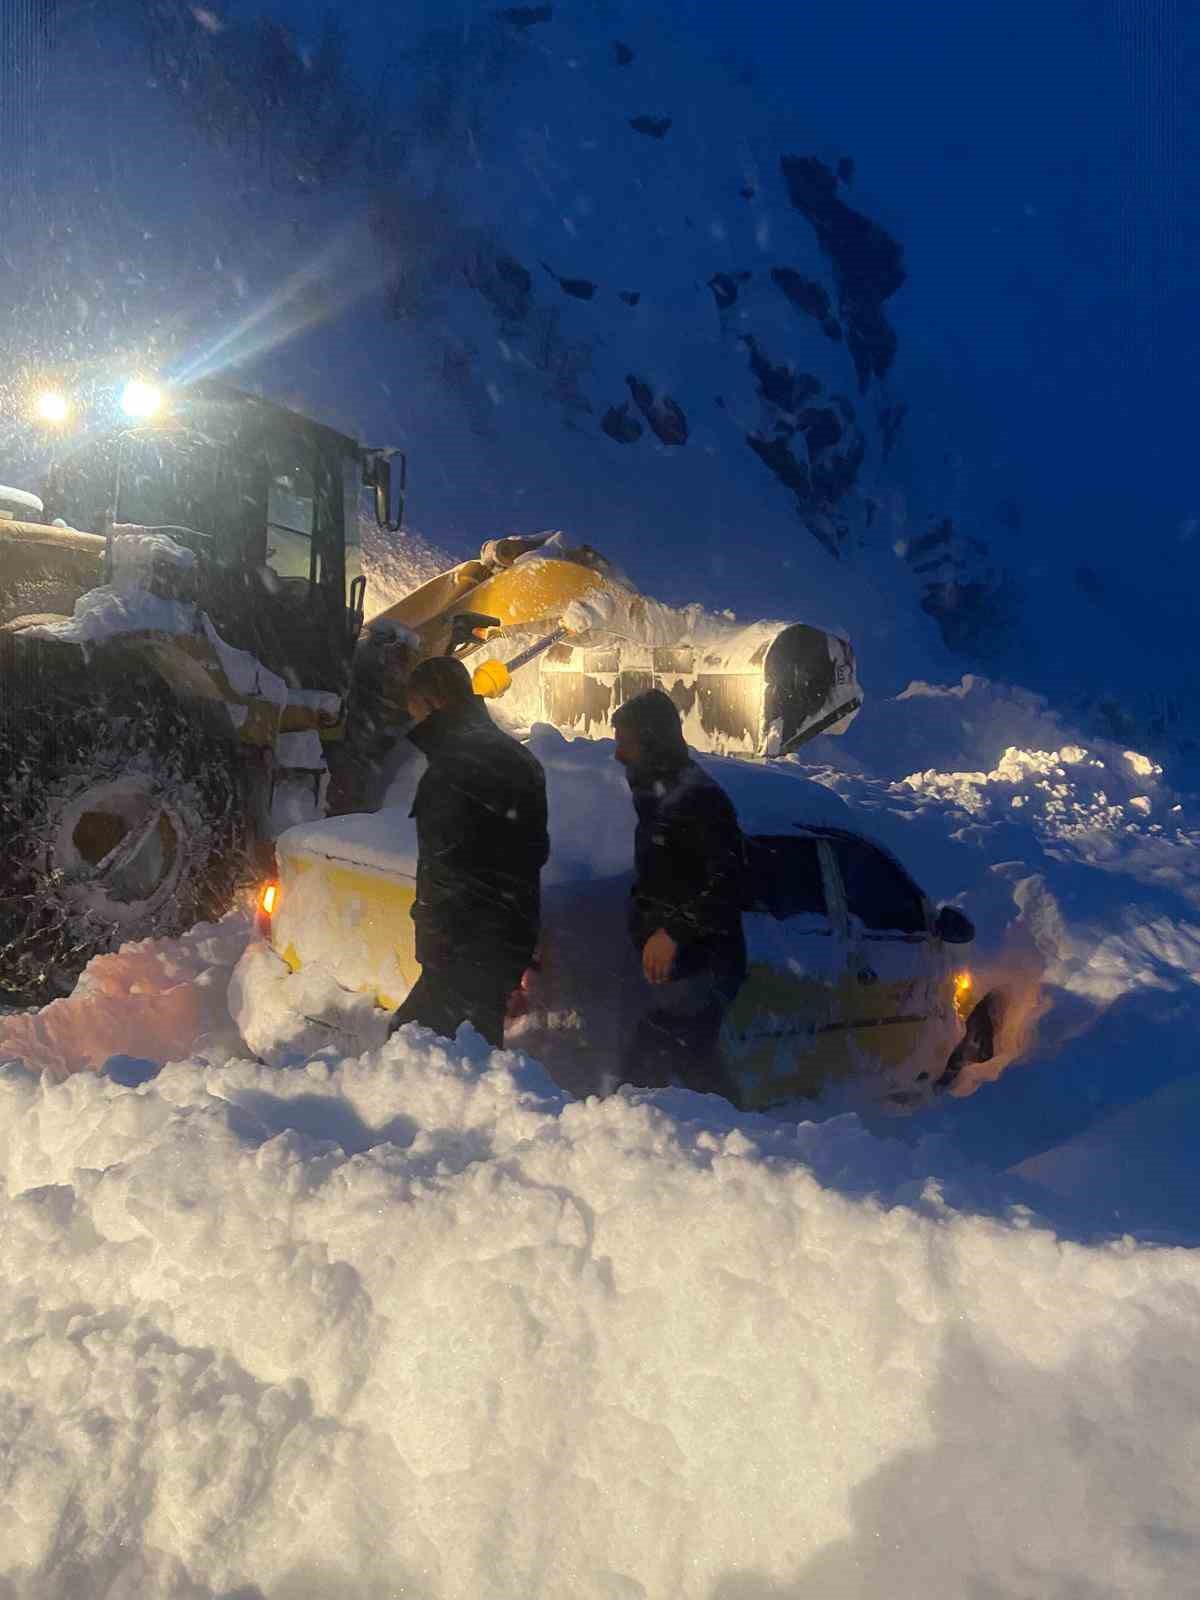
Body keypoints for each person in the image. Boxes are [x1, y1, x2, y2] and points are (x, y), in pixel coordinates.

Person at [388, 655, 549, 1047]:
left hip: (465, 944)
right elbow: (534, 850)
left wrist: (433, 941)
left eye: (415, 711)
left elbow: (445, 869)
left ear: (431, 702)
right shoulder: (517, 756)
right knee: (470, 1047)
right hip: (507, 933)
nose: (414, 722)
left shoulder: (452, 767)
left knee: (414, 1042)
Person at [612, 688, 747, 1096]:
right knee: (684, 1067)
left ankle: (729, 1142)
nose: (618, 755)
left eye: (626, 743)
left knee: (668, 1064)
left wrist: (674, 932)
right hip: (682, 966)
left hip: (703, 964)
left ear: (651, 742)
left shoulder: (697, 799)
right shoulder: (660, 796)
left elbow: (730, 882)